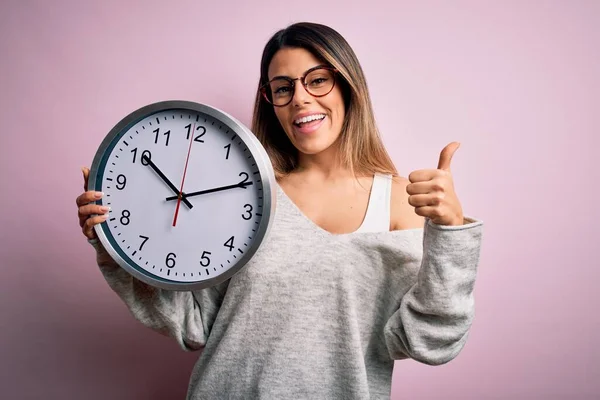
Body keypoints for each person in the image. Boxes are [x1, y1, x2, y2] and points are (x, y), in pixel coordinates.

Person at [76, 22, 483, 400]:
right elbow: (195, 323)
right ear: (271, 101)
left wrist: (450, 233)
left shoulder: (401, 202)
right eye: (282, 88)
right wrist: (113, 246)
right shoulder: (246, 196)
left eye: (318, 80)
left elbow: (428, 341)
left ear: (347, 86)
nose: (301, 98)